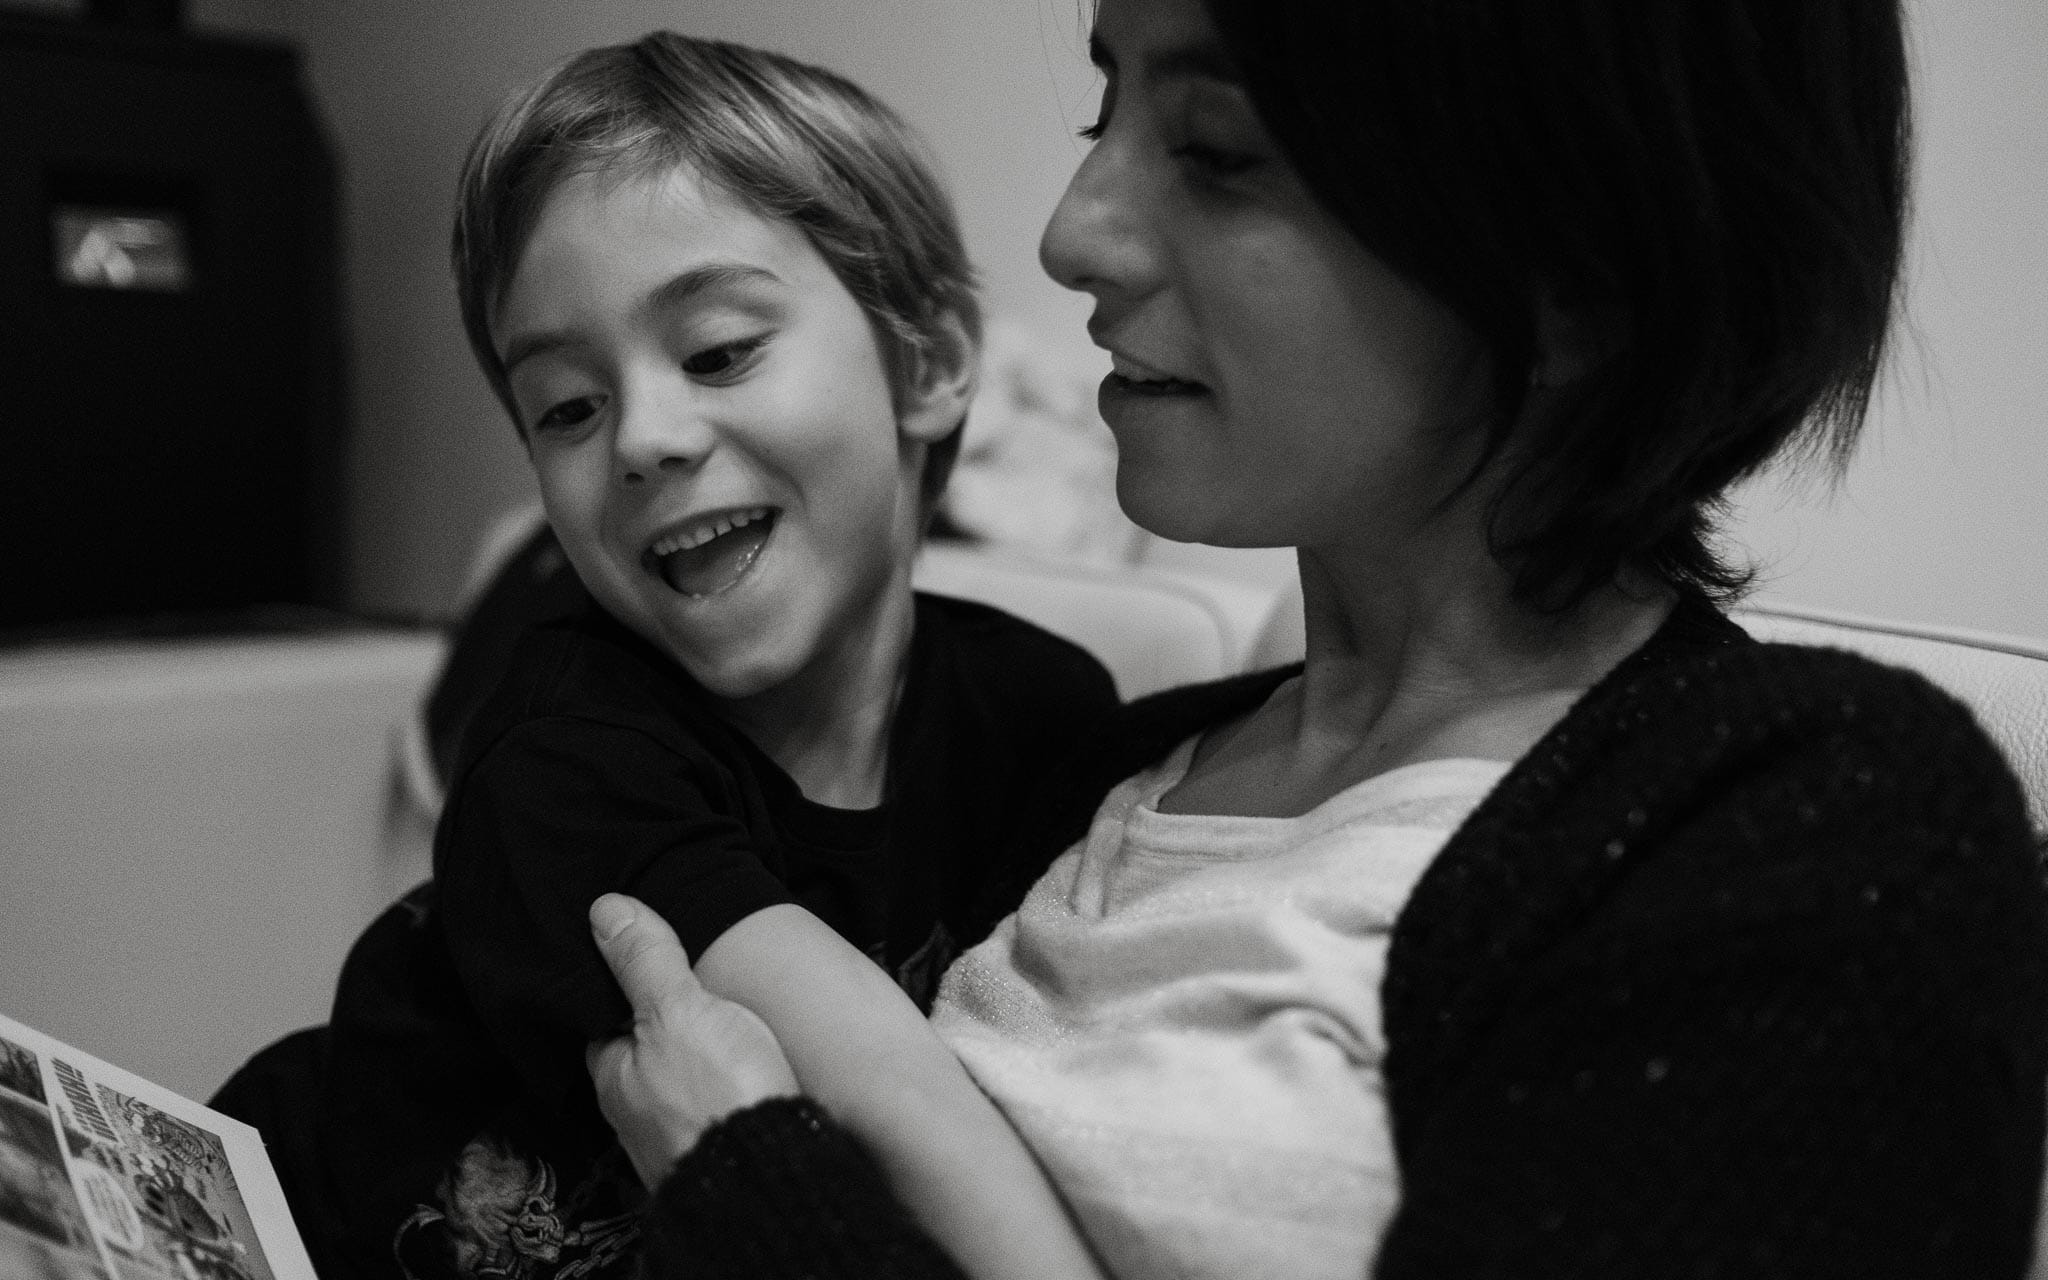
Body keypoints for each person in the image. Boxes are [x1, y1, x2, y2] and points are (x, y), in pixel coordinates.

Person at [579, 0, 2048, 1277]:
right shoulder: (1106, 773)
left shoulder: (1814, 836)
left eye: (1218, 151)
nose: (1073, 230)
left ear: (1590, 252)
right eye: (1108, 106)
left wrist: (748, 1183)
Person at [210, 32, 1120, 1280]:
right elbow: (863, 1062)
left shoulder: (1042, 711)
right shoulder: (565, 748)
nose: (641, 436)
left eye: (718, 349)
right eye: (567, 406)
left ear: (932, 361)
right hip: (280, 1223)